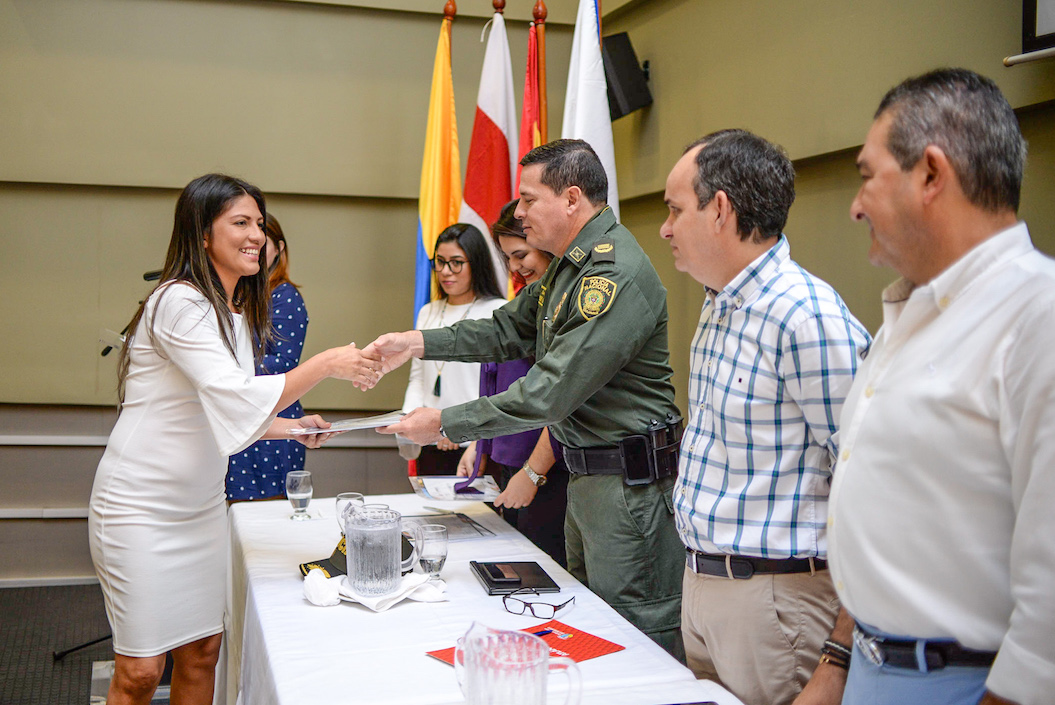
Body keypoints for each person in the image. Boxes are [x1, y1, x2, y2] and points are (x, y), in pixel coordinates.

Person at [373, 139, 686, 657]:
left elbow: (548, 393)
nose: (518, 212)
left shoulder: (610, 275)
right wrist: (417, 342)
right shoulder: (569, 266)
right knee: (591, 636)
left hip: (626, 489)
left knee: (636, 646)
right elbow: (505, 330)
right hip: (589, 481)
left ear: (570, 198)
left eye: (527, 200)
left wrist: (447, 423)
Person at [88, 174, 383, 705]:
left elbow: (224, 409)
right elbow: (237, 395)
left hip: (200, 508)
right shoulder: (179, 301)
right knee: (140, 671)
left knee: (203, 652)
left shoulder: (234, 312)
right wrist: (325, 364)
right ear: (203, 234)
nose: (256, 237)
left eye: (260, 225)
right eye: (240, 223)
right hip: (140, 508)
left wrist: (292, 426)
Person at [818, 68, 1055, 705]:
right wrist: (839, 664)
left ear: (930, 174)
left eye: (868, 175)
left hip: (969, 684)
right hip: (872, 668)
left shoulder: (1039, 316)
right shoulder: (906, 317)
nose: (856, 204)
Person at [659, 129, 870, 705]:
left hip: (777, 601)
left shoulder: (806, 317)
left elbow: (872, 485)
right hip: (706, 585)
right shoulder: (720, 304)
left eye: (676, 210)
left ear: (720, 209)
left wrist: (839, 656)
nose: (666, 228)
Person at [456, 199, 570, 567]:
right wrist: (480, 443)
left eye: (521, 254)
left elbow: (562, 400)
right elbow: (496, 382)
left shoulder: (564, 307)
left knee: (541, 573)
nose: (514, 268)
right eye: (507, 258)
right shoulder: (526, 300)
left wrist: (533, 474)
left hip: (547, 470)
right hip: (510, 465)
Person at [402, 223, 505, 475]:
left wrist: (459, 429)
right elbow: (418, 377)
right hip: (430, 439)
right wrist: (409, 421)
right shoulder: (429, 311)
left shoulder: (498, 311)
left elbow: (500, 389)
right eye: (440, 261)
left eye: (456, 262)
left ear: (476, 264)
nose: (446, 272)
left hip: (477, 445)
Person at [226, 213, 310, 501]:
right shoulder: (234, 292)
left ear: (279, 249)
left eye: (264, 240)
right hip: (237, 412)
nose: (256, 245)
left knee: (265, 514)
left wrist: (228, 367)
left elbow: (285, 363)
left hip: (275, 414)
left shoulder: (285, 295)